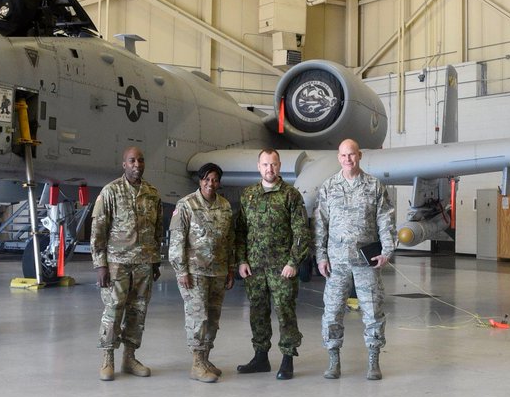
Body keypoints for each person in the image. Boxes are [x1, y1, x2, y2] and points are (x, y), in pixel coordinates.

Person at [315, 138, 396, 381]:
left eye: (351, 154)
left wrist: (387, 251)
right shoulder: (329, 186)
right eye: (343, 155)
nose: (348, 159)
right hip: (337, 261)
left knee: (372, 311)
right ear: (338, 158)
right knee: (332, 312)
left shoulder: (374, 185)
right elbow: (320, 224)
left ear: (359, 155)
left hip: (366, 261)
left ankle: (373, 360)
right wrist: (321, 256)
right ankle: (333, 359)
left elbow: (385, 220)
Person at [234, 148, 311, 380]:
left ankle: (287, 359)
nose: (270, 168)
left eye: (274, 164)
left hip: (282, 268)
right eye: (266, 164)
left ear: (280, 166)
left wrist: (293, 262)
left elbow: (301, 232)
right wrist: (241, 260)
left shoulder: (290, 195)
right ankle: (261, 357)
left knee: (285, 312)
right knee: (257, 312)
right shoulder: (248, 195)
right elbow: (241, 231)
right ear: (259, 167)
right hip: (255, 267)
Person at [91, 146, 163, 381]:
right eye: (132, 161)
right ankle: (108, 358)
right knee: (113, 310)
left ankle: (129, 358)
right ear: (124, 164)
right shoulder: (110, 191)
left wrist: (155, 261)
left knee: (138, 312)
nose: (137, 165)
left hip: (144, 263)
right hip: (117, 264)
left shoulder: (152, 193)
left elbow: (157, 230)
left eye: (140, 160)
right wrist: (100, 265)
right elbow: (98, 230)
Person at [169, 162, 237, 383]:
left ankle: (205, 359)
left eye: (215, 180)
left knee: (213, 318)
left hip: (218, 272)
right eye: (207, 179)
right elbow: (176, 240)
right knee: (198, 317)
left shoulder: (225, 206)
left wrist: (230, 269)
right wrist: (181, 271)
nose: (211, 184)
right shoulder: (186, 204)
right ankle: (196, 364)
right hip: (194, 272)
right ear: (200, 181)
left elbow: (229, 240)